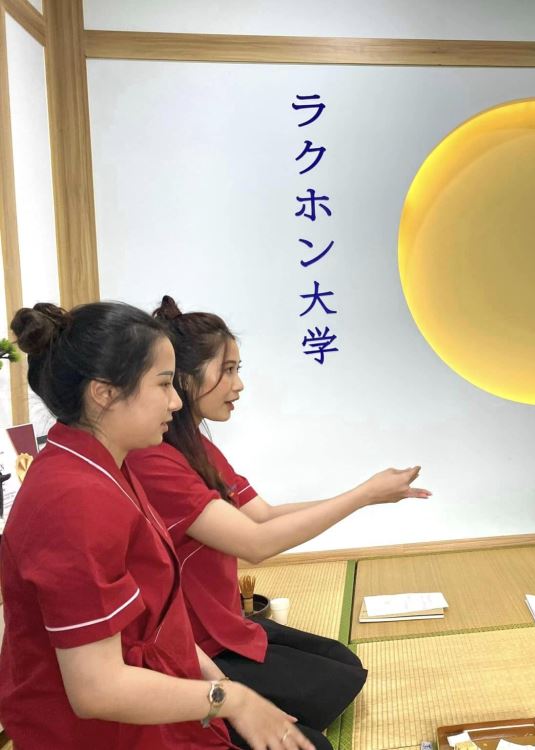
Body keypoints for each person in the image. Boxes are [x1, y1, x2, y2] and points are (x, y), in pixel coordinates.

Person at [0, 302, 312, 750]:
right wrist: (231, 700)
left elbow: (157, 616)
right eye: (164, 384)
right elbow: (96, 689)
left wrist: (221, 687)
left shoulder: (106, 465)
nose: (176, 401)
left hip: (160, 686)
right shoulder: (72, 499)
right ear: (104, 393)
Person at [128, 296, 430, 750]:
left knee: (344, 668)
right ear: (186, 380)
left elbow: (263, 516)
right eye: (228, 370)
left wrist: (364, 495)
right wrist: (363, 495)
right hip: (199, 642)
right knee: (315, 734)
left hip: (225, 622)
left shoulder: (196, 447)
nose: (239, 384)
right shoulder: (153, 459)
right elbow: (256, 542)